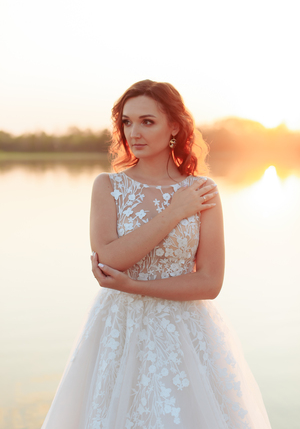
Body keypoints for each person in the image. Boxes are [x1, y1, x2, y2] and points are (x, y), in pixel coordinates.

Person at [42, 80, 272, 428]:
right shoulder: (108, 186)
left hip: (186, 333)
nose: (134, 131)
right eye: (127, 121)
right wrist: (173, 212)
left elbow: (209, 282)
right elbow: (109, 259)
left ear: (174, 127)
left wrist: (134, 286)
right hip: (118, 328)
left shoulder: (202, 191)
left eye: (147, 121)